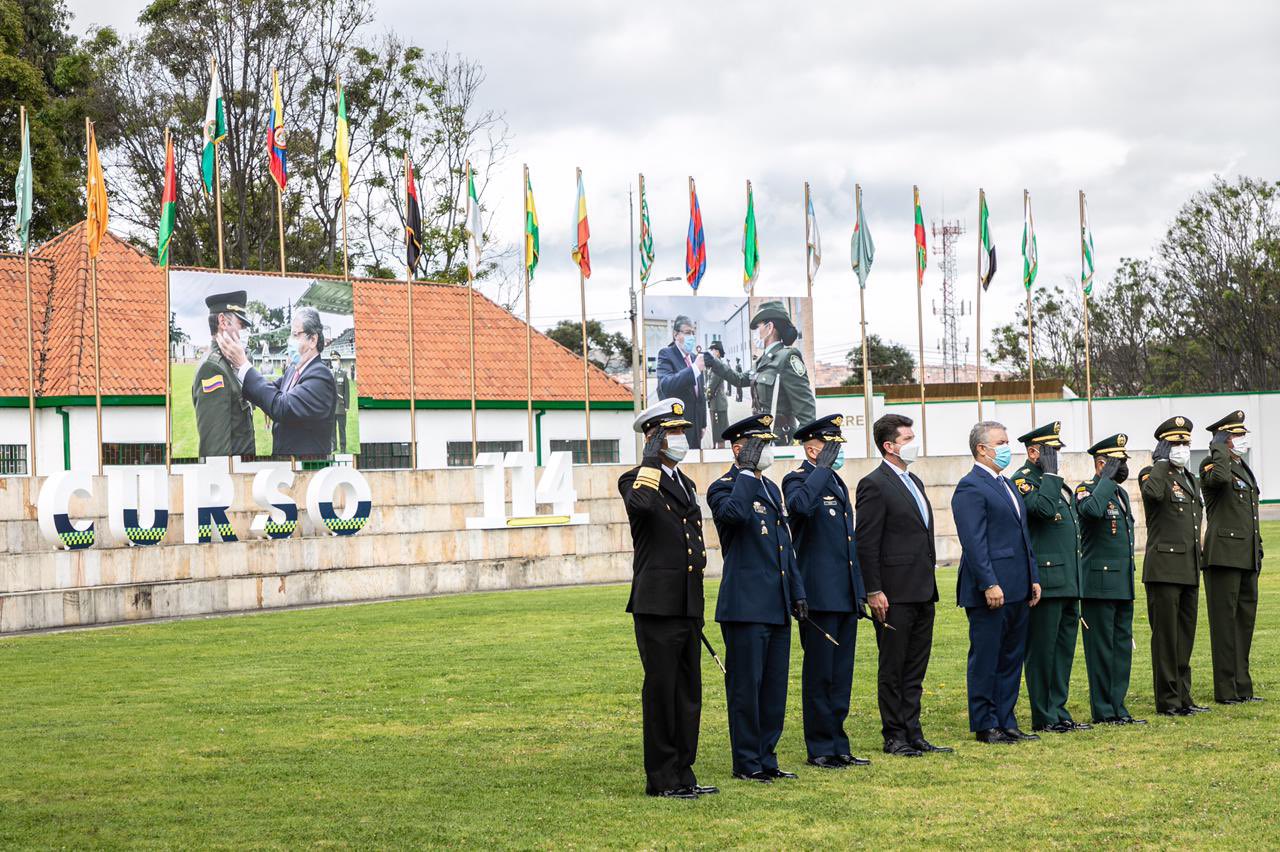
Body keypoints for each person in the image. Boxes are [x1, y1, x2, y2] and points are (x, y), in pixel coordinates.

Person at [617, 398, 717, 800]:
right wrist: (650, 462)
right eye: (670, 432)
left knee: (688, 692)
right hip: (656, 604)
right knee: (662, 692)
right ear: (651, 438)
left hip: (687, 603)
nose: (679, 439)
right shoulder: (635, 479)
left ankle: (684, 772)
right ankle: (661, 779)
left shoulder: (686, 483)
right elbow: (640, 506)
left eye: (680, 432)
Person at [707, 414, 807, 784]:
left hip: (777, 604)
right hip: (746, 606)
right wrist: (746, 472)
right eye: (758, 445)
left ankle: (767, 756)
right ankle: (746, 761)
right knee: (746, 689)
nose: (767, 451)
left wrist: (797, 592)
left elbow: (785, 548)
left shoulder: (772, 490)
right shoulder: (724, 486)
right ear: (738, 449)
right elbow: (732, 517)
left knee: (773, 689)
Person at [854, 413, 949, 757]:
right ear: (889, 446)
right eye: (907, 439)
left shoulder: (916, 482)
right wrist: (874, 590)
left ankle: (914, 732)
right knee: (893, 666)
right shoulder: (874, 484)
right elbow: (866, 542)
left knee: (915, 667)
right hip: (893, 593)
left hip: (922, 588)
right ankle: (894, 735)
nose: (914, 443)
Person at [782, 415, 869, 769]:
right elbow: (799, 507)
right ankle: (819, 746)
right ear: (812, 448)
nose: (837, 454)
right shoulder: (798, 479)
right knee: (821, 673)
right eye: (831, 448)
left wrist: (859, 591)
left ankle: (839, 743)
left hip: (844, 595)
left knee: (841, 674)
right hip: (818, 594)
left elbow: (848, 546)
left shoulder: (834, 481)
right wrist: (821, 469)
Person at [953, 421, 1042, 744]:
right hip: (990, 590)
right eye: (1001, 442)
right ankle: (986, 722)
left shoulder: (1007, 484)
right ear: (982, 449)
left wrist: (1033, 576)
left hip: (1018, 585)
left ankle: (1006, 718)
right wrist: (988, 582)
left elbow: (1022, 535)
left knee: (1011, 657)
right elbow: (974, 543)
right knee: (987, 657)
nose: (1007, 447)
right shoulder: (970, 486)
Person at [1013, 422, 1089, 734]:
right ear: (1033, 452)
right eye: (1051, 451)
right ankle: (1043, 715)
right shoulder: (1024, 481)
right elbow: (1042, 511)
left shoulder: (1051, 481)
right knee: (1042, 653)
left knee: (1062, 652)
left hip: (1069, 581)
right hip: (1046, 582)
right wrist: (1053, 476)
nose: (1056, 457)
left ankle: (1059, 710)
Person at [1139, 416, 1208, 717]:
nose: (1183, 448)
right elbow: (1152, 495)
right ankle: (1168, 701)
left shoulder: (1190, 479)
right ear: (1164, 446)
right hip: (1164, 568)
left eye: (1186, 443)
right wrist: (1160, 462)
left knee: (1184, 637)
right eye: (1177, 443)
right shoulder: (1152, 474)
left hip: (1189, 568)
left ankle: (1183, 696)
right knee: (1166, 638)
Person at [1076, 433, 1146, 726]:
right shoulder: (1086, 489)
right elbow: (1090, 512)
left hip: (1121, 584)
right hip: (1098, 585)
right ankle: (1103, 710)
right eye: (1118, 463)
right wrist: (1105, 480)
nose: (1123, 468)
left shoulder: (1121, 494)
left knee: (1120, 649)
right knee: (1101, 650)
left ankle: (1118, 706)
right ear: (1102, 464)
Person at [1199, 410, 1263, 705]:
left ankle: (1242, 686)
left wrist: (1257, 547)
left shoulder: (1243, 468)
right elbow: (1221, 480)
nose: (1240, 440)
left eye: (1241, 435)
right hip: (1223, 557)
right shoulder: (1212, 465)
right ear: (1223, 439)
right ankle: (1226, 690)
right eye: (1235, 436)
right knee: (1225, 626)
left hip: (1246, 557)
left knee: (1243, 624)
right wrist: (1217, 448)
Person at [218, 306, 337, 457]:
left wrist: (244, 365)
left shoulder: (321, 377)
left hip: (306, 470)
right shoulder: (294, 370)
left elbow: (281, 406)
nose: (289, 341)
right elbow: (268, 391)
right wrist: (236, 373)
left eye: (295, 335)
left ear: (313, 340)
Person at [709, 300, 816, 445]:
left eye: (758, 327)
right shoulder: (762, 362)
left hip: (780, 439)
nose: (756, 333)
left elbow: (807, 415)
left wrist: (793, 447)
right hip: (761, 436)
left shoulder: (787, 358)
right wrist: (714, 362)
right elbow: (739, 379)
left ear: (770, 327)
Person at [192, 290, 256, 458]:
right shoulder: (213, 370)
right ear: (222, 321)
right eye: (240, 324)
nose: (244, 331)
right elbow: (215, 450)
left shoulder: (229, 362)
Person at [655, 316, 707, 450]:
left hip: (695, 427)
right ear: (676, 334)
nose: (692, 337)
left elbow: (700, 395)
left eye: (693, 333)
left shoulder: (695, 358)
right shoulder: (666, 354)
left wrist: (702, 424)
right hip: (676, 427)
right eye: (687, 332)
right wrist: (694, 369)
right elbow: (666, 385)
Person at [704, 341, 730, 449]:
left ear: (718, 352)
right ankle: (717, 448)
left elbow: (712, 385)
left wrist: (705, 396)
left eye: (714, 350)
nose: (712, 352)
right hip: (716, 402)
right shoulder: (715, 365)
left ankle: (720, 451)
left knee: (719, 430)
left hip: (718, 403)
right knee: (716, 429)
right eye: (712, 350)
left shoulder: (717, 366)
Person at [331, 351, 351, 453]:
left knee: (342, 429)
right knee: (332, 429)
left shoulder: (343, 374)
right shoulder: (329, 374)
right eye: (332, 360)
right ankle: (333, 446)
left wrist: (347, 406)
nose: (334, 361)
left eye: (335, 359)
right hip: (331, 407)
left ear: (339, 361)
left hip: (341, 406)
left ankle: (343, 447)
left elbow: (346, 391)